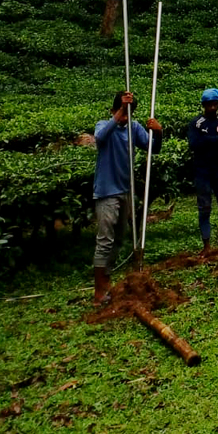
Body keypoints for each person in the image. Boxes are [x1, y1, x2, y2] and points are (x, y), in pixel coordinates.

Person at [87, 90, 160, 303]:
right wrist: (119, 112)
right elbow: (99, 139)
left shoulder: (134, 128)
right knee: (105, 239)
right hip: (107, 192)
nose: (126, 117)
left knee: (118, 238)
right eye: (122, 112)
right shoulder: (103, 125)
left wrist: (159, 132)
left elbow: (152, 148)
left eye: (129, 113)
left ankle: (107, 280)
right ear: (113, 110)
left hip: (125, 190)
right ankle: (99, 290)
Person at [184, 87, 218, 252]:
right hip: (202, 171)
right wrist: (215, 141)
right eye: (209, 105)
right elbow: (194, 144)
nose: (212, 108)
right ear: (204, 105)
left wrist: (206, 140)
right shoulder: (195, 123)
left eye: (215, 104)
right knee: (204, 208)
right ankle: (206, 245)